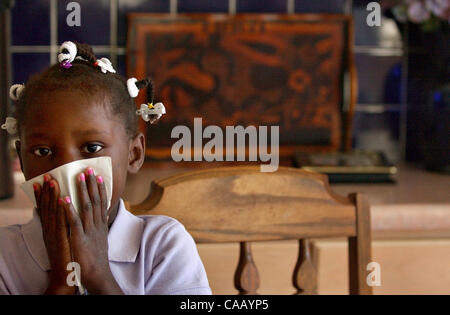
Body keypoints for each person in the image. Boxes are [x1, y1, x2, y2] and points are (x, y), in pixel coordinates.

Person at [0, 41, 211, 295]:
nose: (68, 168)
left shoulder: (163, 246)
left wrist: (97, 275)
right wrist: (62, 282)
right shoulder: (5, 254)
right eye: (43, 152)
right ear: (22, 163)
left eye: (92, 148)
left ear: (134, 154)